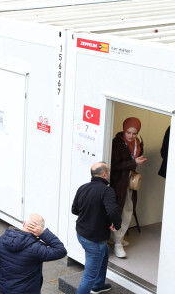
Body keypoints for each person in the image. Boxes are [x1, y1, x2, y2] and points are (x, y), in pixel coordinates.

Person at [72, 162, 122, 294]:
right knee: (89, 276)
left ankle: (98, 285)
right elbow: (113, 211)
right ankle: (93, 284)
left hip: (81, 234)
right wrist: (116, 224)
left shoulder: (83, 187)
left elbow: (75, 210)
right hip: (94, 239)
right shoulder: (107, 190)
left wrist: (91, 215)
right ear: (105, 174)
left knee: (105, 251)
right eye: (109, 172)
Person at [0, 214, 67, 294]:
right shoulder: (36, 248)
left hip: (6, 289)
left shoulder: (3, 238)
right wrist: (43, 234)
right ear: (39, 229)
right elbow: (61, 250)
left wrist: (0, 284)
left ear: (24, 224)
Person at [110, 117, 145, 258]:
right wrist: (133, 162)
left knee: (128, 210)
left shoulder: (138, 142)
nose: (131, 136)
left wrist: (136, 162)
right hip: (118, 183)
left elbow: (134, 160)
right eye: (128, 132)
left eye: (134, 133)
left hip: (129, 181)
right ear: (124, 130)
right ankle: (117, 243)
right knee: (118, 210)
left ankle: (117, 239)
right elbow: (114, 165)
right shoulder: (117, 143)